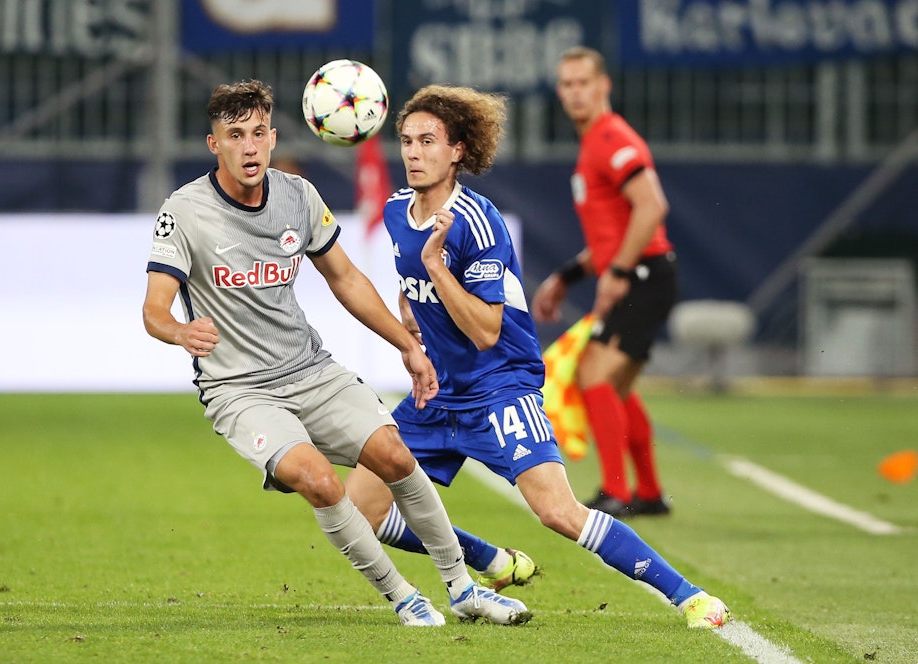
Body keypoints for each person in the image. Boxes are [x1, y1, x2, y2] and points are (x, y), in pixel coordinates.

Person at [141, 79, 532, 627]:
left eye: (258, 133)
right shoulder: (184, 211)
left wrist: (408, 346)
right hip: (239, 390)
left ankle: (463, 589)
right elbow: (154, 310)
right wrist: (180, 333)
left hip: (311, 372)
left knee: (397, 457)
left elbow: (346, 279)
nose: (249, 147)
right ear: (215, 144)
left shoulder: (297, 196)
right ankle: (403, 596)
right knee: (321, 481)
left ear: (273, 138)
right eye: (235, 135)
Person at [344, 84, 730, 629]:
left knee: (558, 513)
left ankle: (691, 597)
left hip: (500, 385)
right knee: (361, 509)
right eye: (406, 140)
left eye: (428, 141)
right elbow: (411, 281)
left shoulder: (477, 221)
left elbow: (485, 331)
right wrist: (411, 313)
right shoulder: (395, 211)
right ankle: (491, 561)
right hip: (438, 395)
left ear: (457, 150)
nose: (413, 152)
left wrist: (435, 267)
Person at [532, 46, 676, 518]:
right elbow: (613, 237)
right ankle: (649, 492)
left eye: (583, 83)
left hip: (643, 276)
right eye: (567, 84)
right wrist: (567, 276)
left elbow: (651, 207)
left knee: (593, 374)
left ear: (603, 85)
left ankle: (617, 491)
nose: (575, 92)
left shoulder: (611, 137)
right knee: (615, 386)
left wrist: (618, 273)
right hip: (643, 272)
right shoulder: (595, 142)